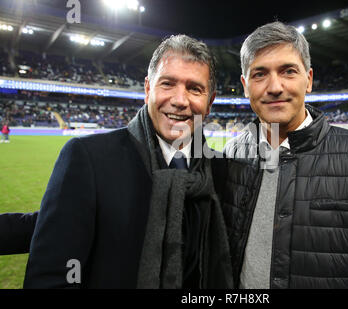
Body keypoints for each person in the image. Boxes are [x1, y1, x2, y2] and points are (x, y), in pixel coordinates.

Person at [20, 34, 233, 288]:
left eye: (194, 88)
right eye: (167, 84)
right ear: (147, 89)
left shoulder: (221, 170)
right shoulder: (88, 159)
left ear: (210, 102)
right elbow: (50, 278)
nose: (179, 100)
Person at [221, 21, 348, 289]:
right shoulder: (230, 155)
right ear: (245, 85)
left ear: (308, 79)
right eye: (259, 74)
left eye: (288, 71)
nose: (274, 86)